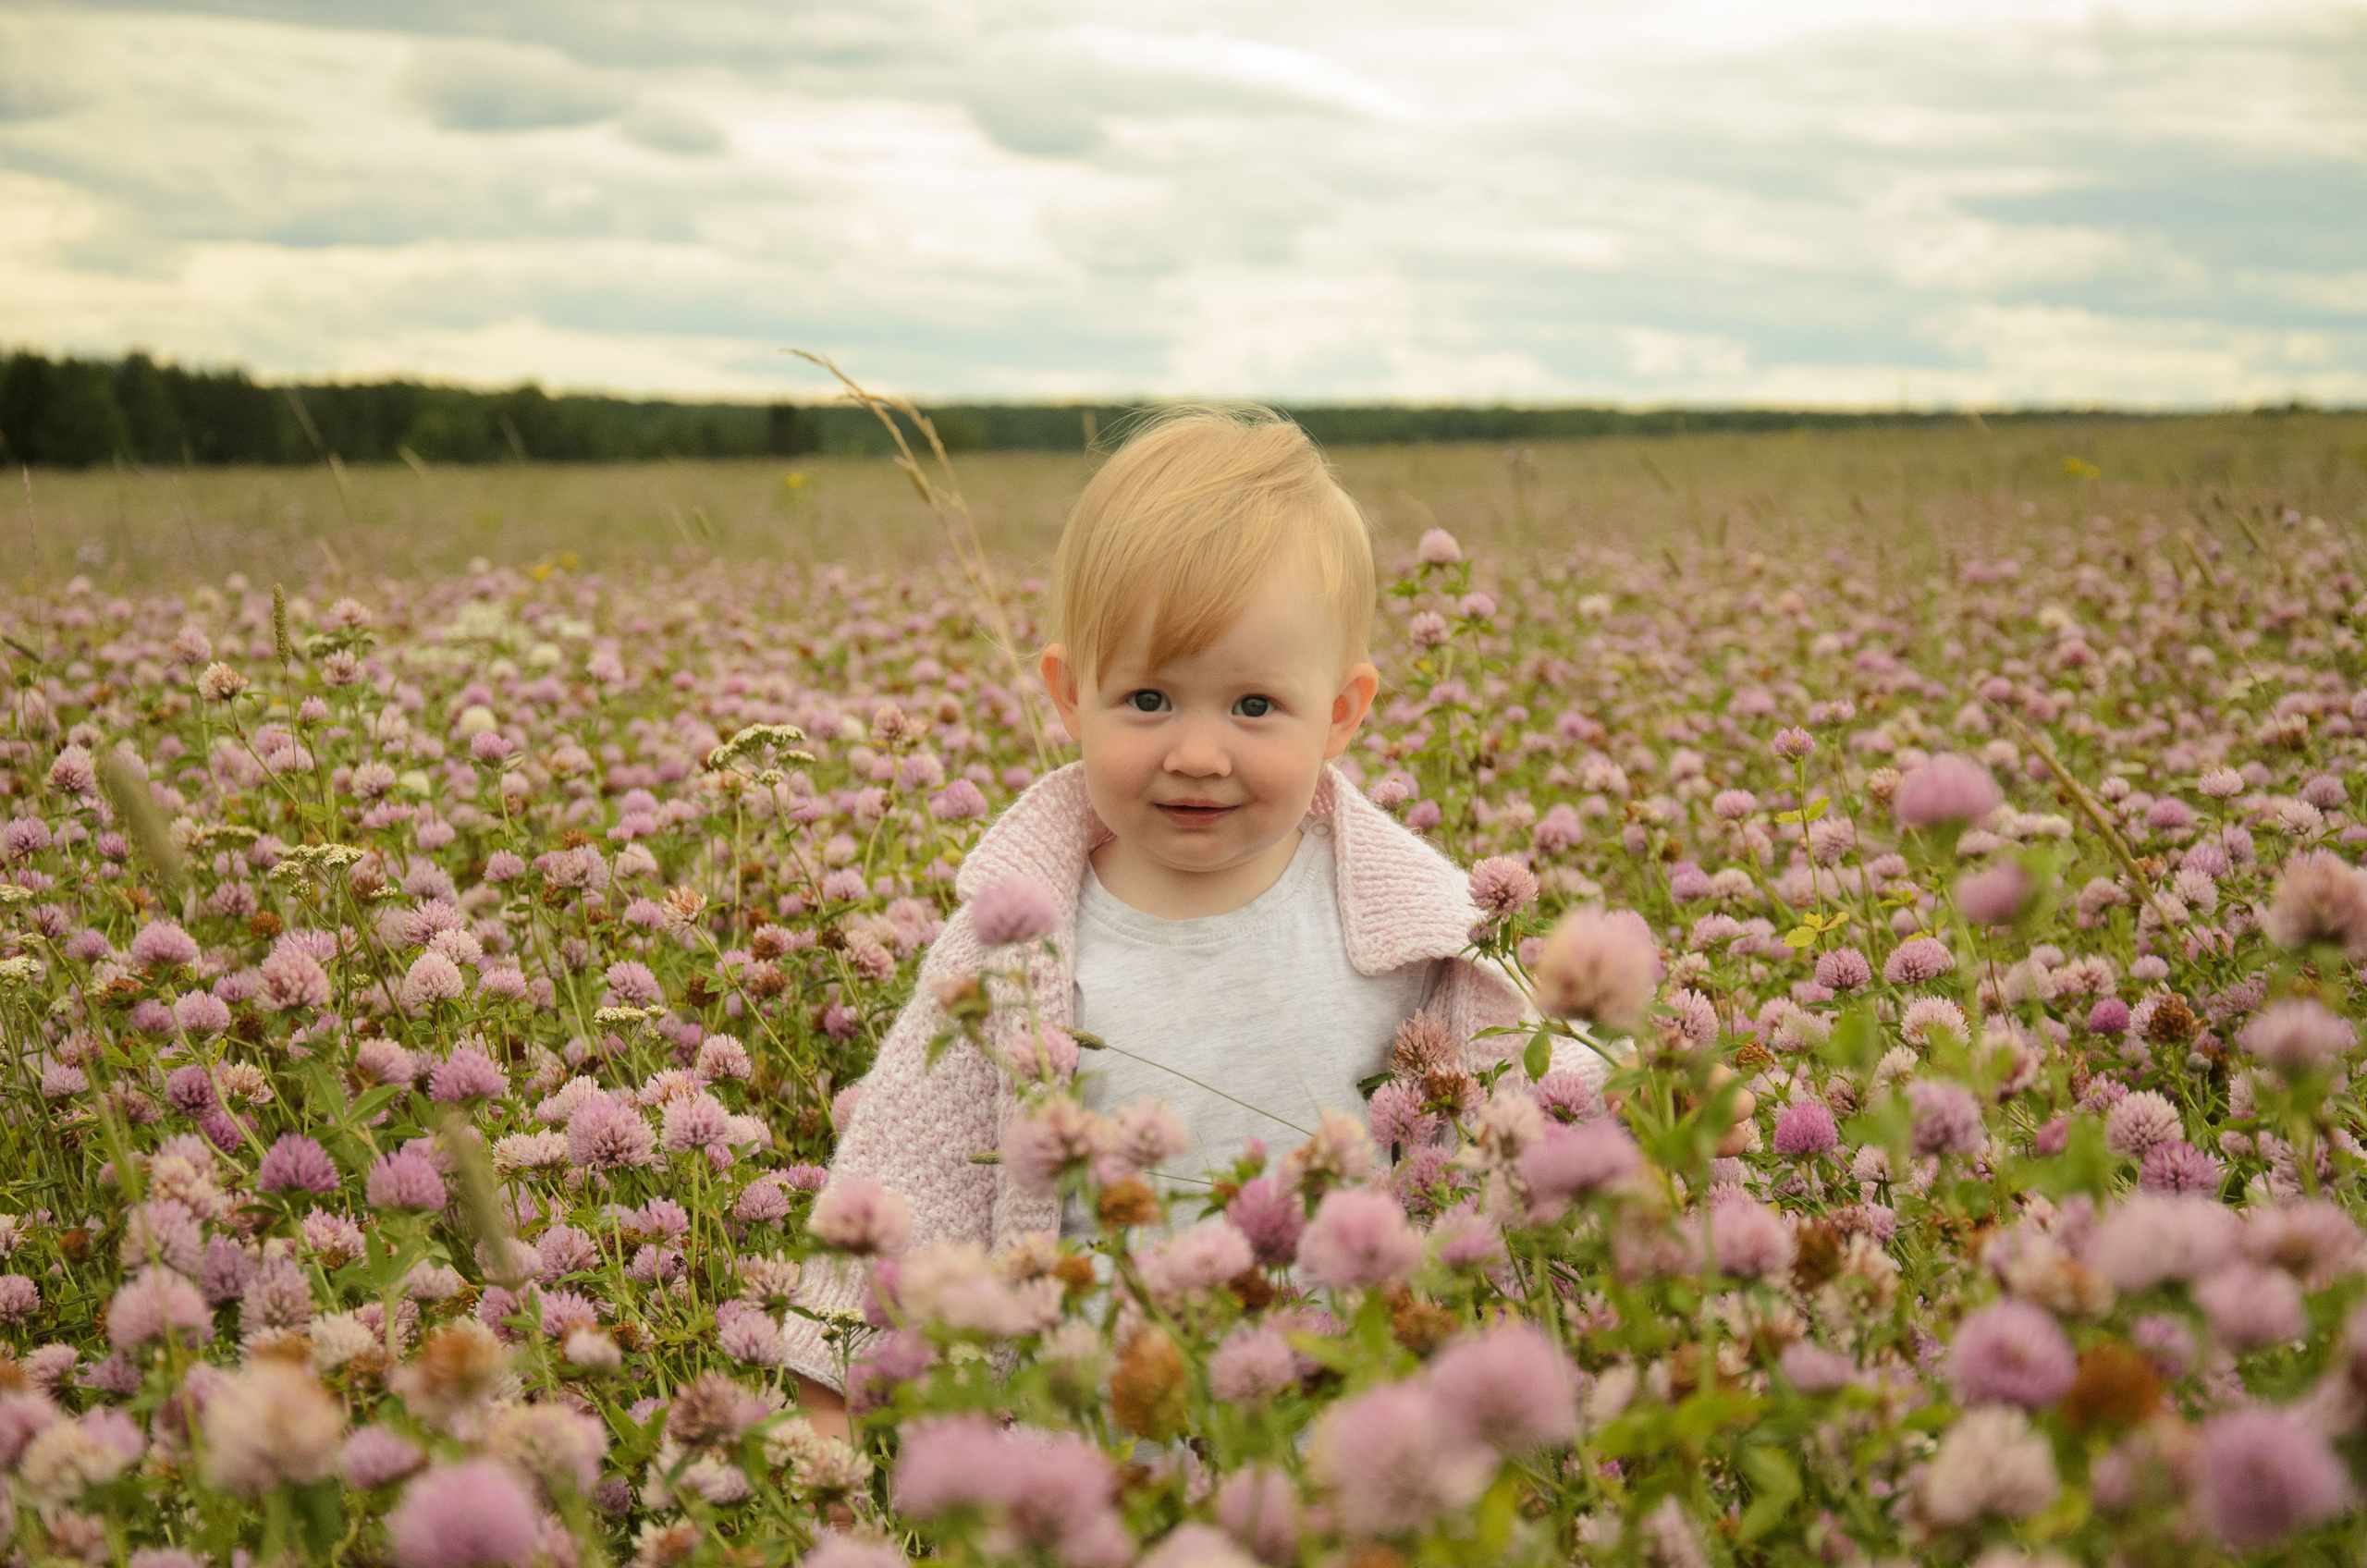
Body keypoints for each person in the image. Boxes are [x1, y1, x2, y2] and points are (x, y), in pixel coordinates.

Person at [784, 407, 1596, 1435]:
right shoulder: (1017, 942)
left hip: (1347, 1435)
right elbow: (908, 1171)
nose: (1198, 755)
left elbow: (1534, 1096)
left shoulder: (1403, 925)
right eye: (1149, 700)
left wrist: (1657, 1127)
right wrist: (832, 1409)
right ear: (1070, 695)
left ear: (1341, 713)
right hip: (1084, 1453)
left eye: (1253, 707)